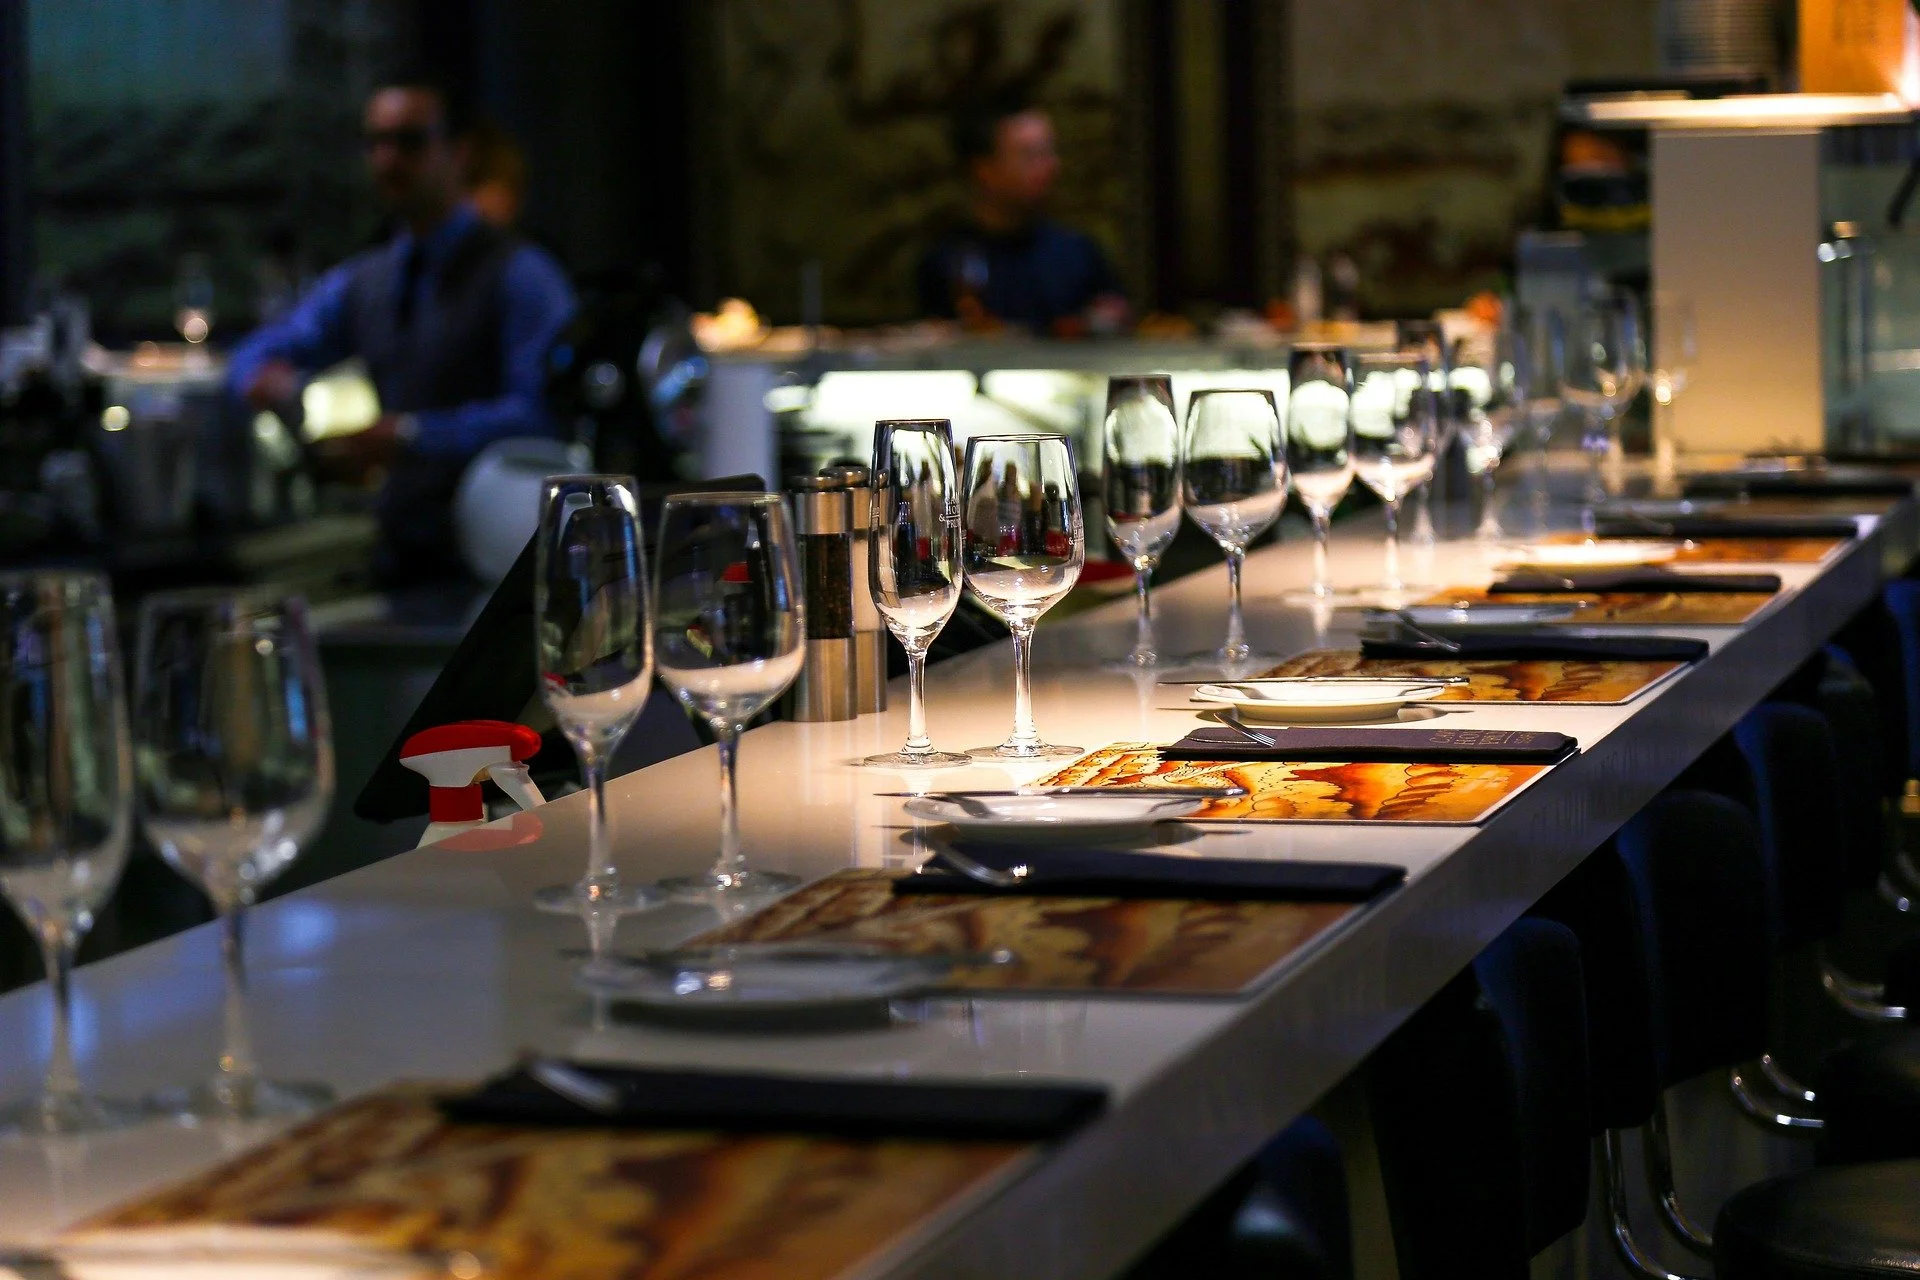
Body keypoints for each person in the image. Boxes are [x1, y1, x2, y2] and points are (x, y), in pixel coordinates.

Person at [227, 80, 574, 584]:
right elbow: (265, 349)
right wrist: (263, 376)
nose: (389, 160)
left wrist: (412, 436)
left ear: (458, 152)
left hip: (507, 557)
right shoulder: (367, 280)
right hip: (404, 548)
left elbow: (545, 414)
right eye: (377, 143)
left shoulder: (521, 274)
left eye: (410, 142)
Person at [915, 97, 1127, 336]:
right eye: (1030, 155)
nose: (1051, 166)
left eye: (1049, 152)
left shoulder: (1078, 253)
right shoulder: (947, 261)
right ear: (983, 169)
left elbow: (1115, 320)